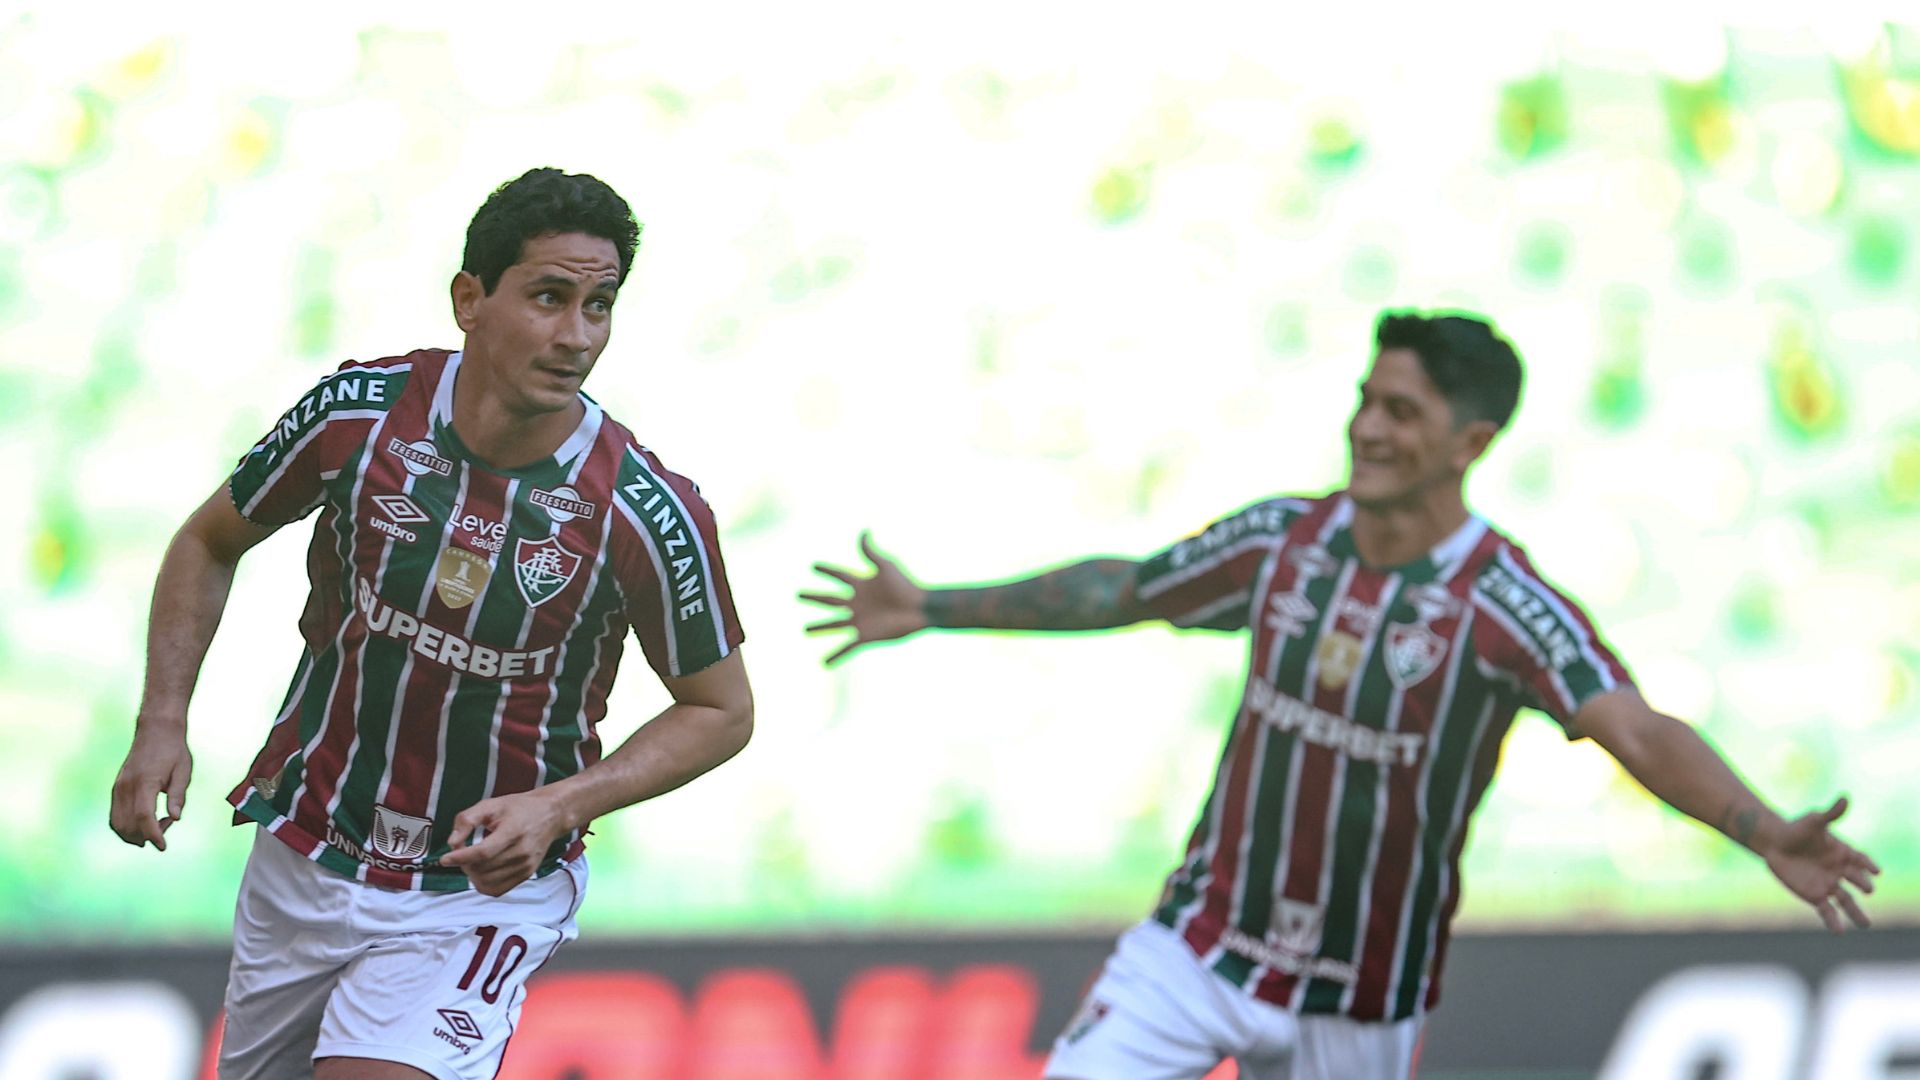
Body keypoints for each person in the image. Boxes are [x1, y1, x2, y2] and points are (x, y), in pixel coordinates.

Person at [801, 310, 1879, 1080]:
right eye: (1367, 398)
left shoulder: (1502, 605)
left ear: (1470, 442)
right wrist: (936, 604)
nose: (1369, 426)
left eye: (1402, 410)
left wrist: (1758, 829)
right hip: (1199, 950)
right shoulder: (1284, 541)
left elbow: (1631, 725)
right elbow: (1126, 589)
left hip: (1363, 1000)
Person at [108, 168, 753, 1080]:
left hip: (477, 890)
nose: (576, 335)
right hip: (308, 846)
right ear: (470, 299)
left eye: (600, 306)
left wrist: (561, 805)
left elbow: (721, 709)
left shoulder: (643, 510)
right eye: (548, 297)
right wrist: (161, 724)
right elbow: (210, 540)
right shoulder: (360, 414)